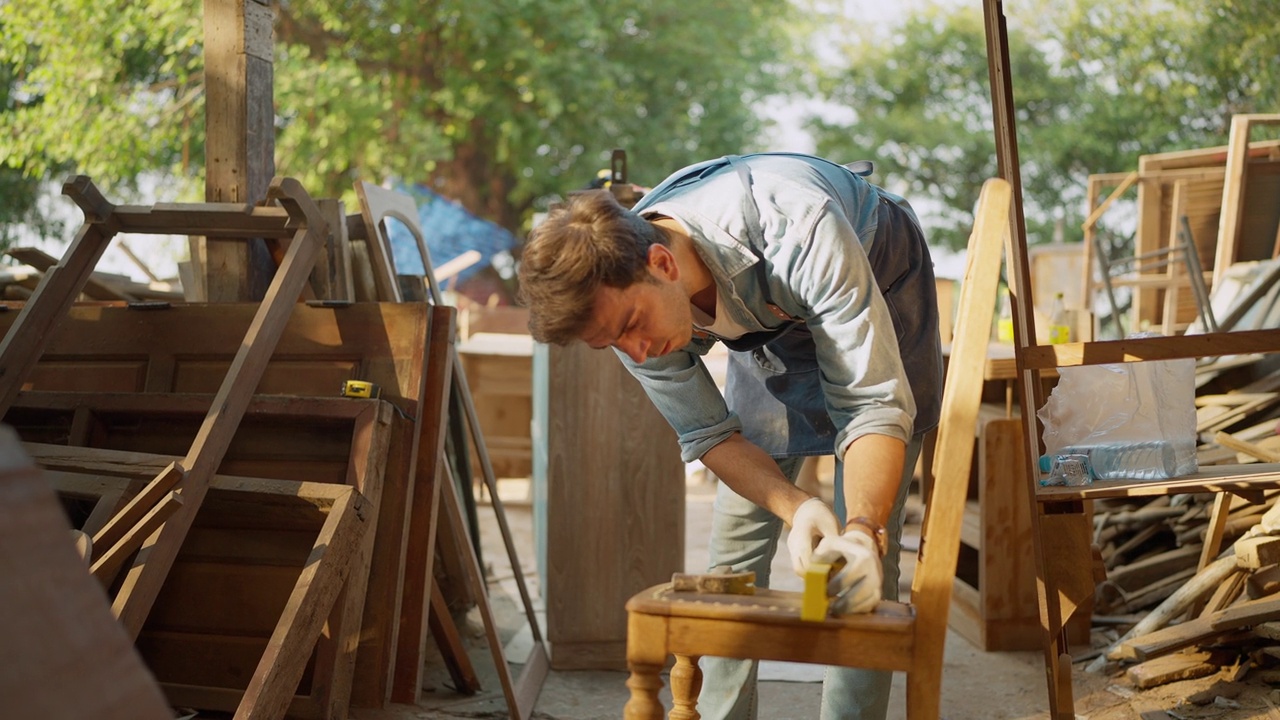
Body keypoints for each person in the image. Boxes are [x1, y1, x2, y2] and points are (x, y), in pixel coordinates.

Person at [517, 152, 942, 720]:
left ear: (663, 263)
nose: (637, 354)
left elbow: (871, 405)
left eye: (630, 329)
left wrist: (861, 528)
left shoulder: (799, 226)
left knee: (859, 565)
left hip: (872, 264)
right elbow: (709, 433)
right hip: (762, 306)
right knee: (736, 544)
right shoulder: (628, 303)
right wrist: (794, 506)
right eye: (612, 344)